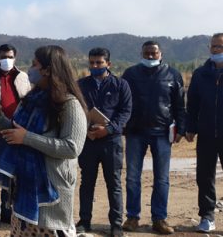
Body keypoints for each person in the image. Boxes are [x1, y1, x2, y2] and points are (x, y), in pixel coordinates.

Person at [0, 45, 87, 236]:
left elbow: (71, 148)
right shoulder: (32, 99)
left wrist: (27, 138)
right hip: (24, 188)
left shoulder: (69, 104)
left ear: (48, 70)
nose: (30, 69)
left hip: (51, 191)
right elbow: (16, 131)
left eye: (34, 64)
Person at [121, 40, 186, 235]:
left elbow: (179, 106)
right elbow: (123, 103)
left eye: (153, 53)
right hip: (135, 133)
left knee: (162, 178)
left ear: (161, 54)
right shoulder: (130, 74)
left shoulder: (173, 75)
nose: (150, 56)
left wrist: (181, 128)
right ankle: (132, 217)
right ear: (141, 54)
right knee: (132, 178)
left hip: (162, 133)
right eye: (146, 53)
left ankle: (159, 219)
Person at [75, 48, 132, 237]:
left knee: (114, 183)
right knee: (87, 182)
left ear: (108, 64)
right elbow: (75, 108)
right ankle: (84, 221)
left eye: (99, 63)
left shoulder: (120, 85)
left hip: (111, 142)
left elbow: (125, 112)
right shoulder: (81, 85)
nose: (95, 66)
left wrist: (108, 129)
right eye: (91, 63)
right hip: (89, 141)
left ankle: (116, 224)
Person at [0, 44, 31, 227]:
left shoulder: (23, 76)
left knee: (10, 173)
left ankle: (7, 211)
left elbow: (27, 101)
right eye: (3, 56)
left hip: (15, 131)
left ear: (15, 58)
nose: (6, 60)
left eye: (9, 56)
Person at [185, 33, 223, 233]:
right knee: (205, 176)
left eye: (221, 47)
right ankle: (207, 216)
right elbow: (192, 104)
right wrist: (191, 127)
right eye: (214, 46)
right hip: (207, 133)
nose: (217, 50)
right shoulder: (200, 74)